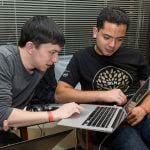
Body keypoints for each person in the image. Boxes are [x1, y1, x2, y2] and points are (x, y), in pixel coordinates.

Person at [55, 6, 150, 150]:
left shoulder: (135, 56)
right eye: (107, 37)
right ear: (95, 32)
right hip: (106, 123)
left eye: (119, 39)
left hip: (138, 115)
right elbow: (60, 95)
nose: (112, 45)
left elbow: (148, 90)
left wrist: (143, 108)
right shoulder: (81, 58)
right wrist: (103, 94)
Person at [0, 15, 83, 146]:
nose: (56, 59)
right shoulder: (3, 59)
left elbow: (8, 115)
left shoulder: (41, 67)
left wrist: (14, 118)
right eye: (52, 52)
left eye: (58, 53)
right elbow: (3, 113)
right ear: (31, 47)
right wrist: (53, 115)